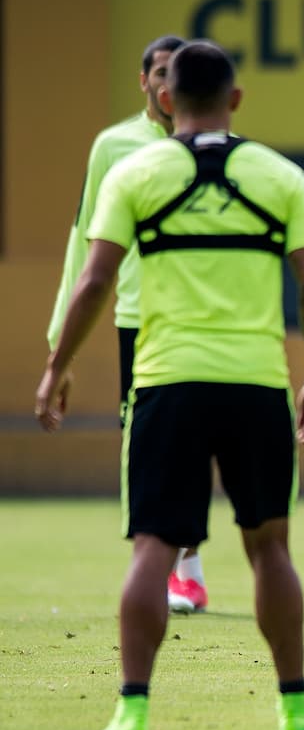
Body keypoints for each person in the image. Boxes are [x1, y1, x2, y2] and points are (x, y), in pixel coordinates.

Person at [35, 40, 304, 730]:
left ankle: (132, 716)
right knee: (271, 548)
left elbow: (94, 281)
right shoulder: (281, 175)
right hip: (257, 384)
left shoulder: (135, 171)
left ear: (166, 99)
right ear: (235, 100)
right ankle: (296, 712)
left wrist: (57, 367)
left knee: (151, 550)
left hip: (165, 383)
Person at [46, 34, 211, 614]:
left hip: (202, 319)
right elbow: (83, 244)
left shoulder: (214, 147)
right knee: (147, 446)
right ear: (145, 81)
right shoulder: (114, 147)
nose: (170, 85)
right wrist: (57, 346)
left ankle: (185, 569)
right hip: (138, 320)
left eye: (179, 74)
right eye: (161, 73)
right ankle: (171, 568)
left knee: (194, 443)